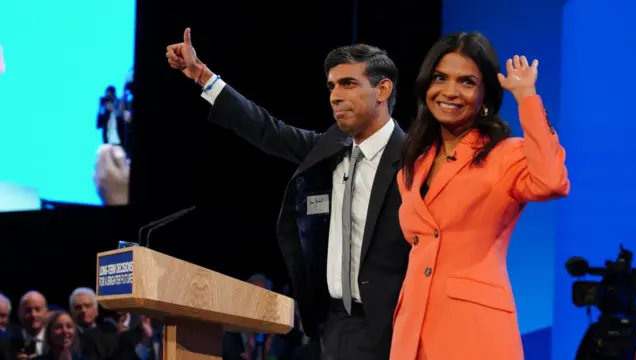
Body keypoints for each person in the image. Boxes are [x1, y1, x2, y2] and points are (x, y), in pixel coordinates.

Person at [166, 28, 411, 359]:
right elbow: (267, 129)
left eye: (348, 84)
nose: (335, 96)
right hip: (334, 325)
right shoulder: (330, 147)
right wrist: (201, 76)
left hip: (395, 325)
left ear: (383, 89)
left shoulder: (415, 157)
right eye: (332, 86)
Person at [389, 32, 570, 360]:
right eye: (440, 78)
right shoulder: (415, 161)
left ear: (485, 94)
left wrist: (527, 97)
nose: (449, 91)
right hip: (413, 330)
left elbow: (551, 181)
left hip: (474, 329)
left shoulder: (504, 155)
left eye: (466, 82)